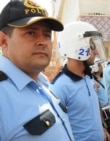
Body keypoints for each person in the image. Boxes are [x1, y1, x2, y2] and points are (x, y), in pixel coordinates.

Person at [0, 0, 75, 141]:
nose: (43, 42)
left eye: (47, 35)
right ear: (4, 41)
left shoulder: (43, 83)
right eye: (30, 33)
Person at [49, 21, 110, 141]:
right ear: (76, 47)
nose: (96, 52)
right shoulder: (59, 87)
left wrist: (102, 126)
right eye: (92, 46)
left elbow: (95, 102)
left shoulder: (87, 78)